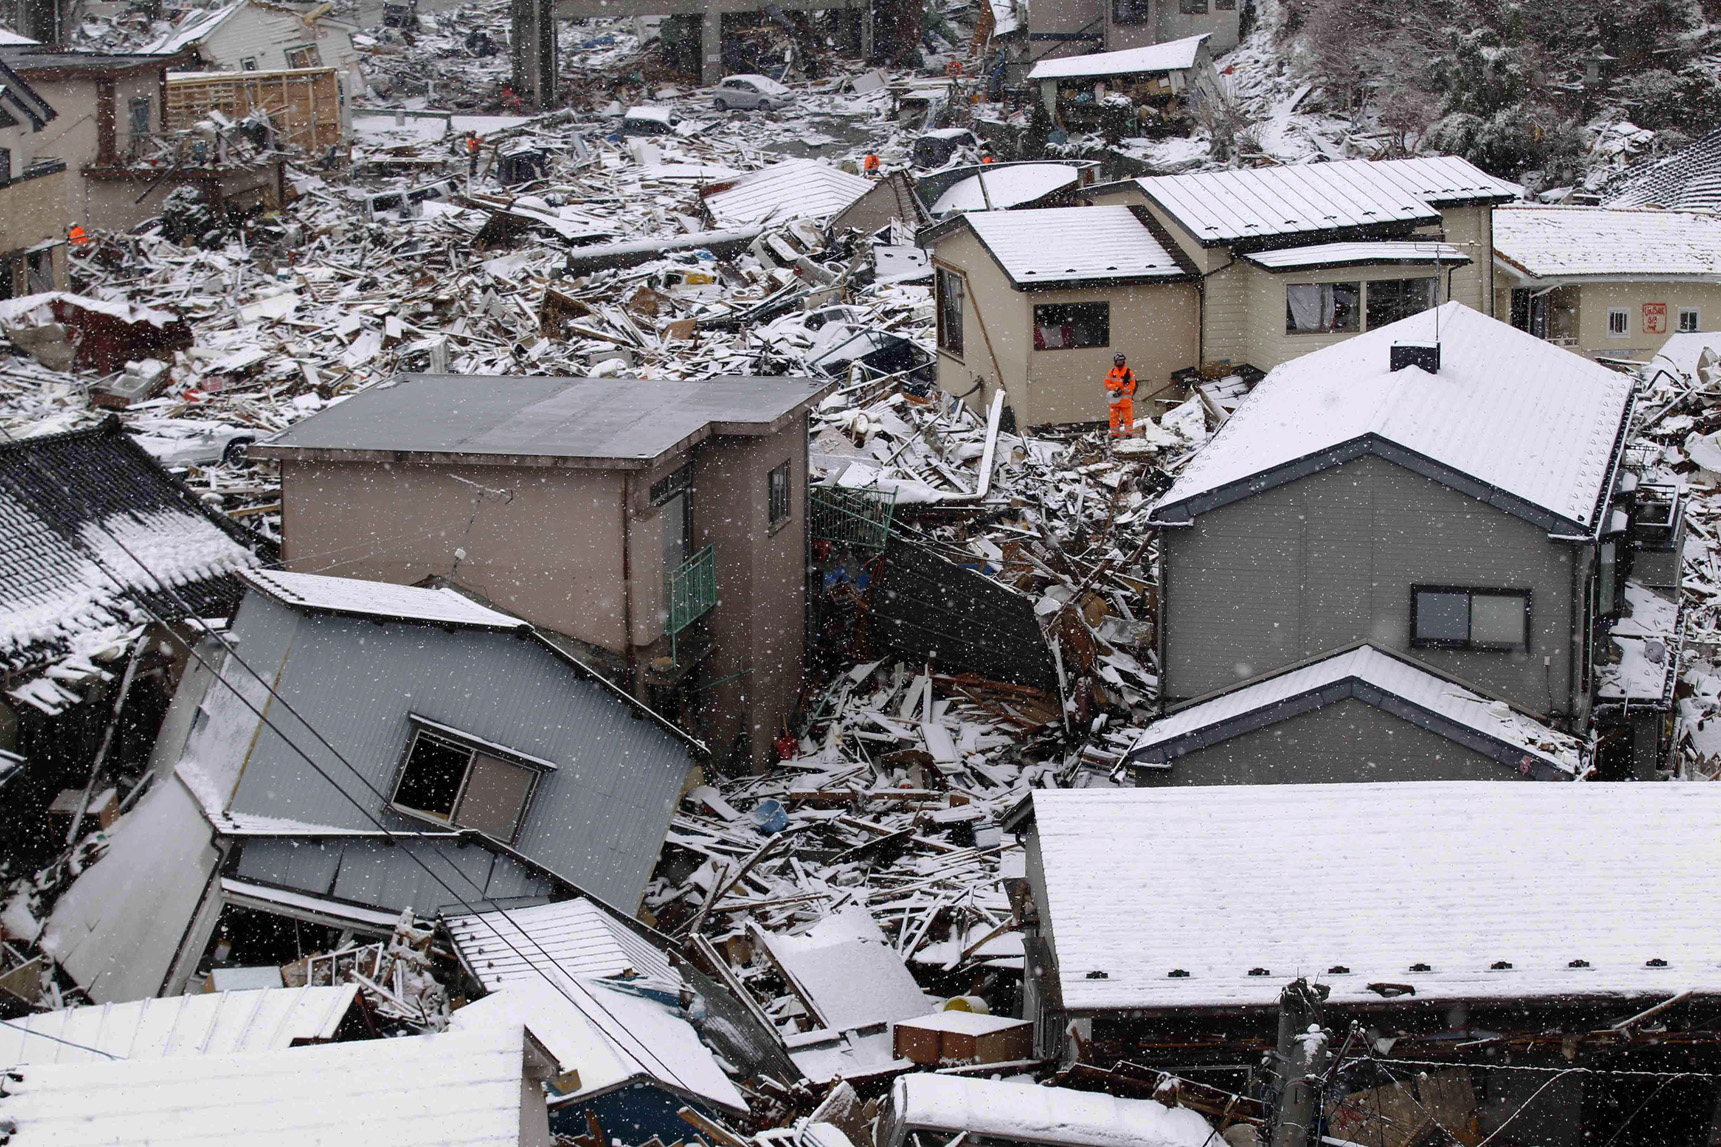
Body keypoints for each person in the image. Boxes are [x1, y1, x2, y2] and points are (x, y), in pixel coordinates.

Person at [1105, 352, 1137, 441]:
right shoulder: (1111, 372)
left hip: (1126, 402)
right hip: (1115, 400)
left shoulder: (1129, 372)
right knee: (1114, 419)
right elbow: (1107, 384)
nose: (1120, 362)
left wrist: (1123, 390)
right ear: (1115, 361)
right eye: (1118, 361)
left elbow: (1132, 385)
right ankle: (1114, 434)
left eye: (1121, 361)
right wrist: (1115, 388)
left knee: (1128, 418)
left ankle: (1129, 434)